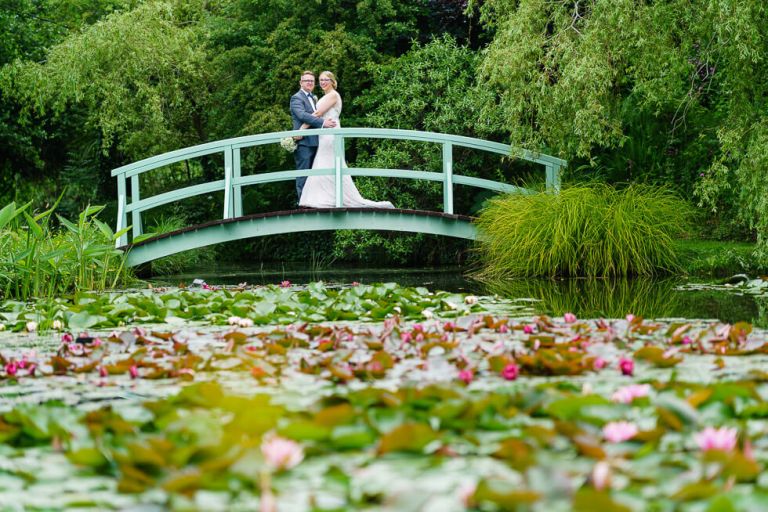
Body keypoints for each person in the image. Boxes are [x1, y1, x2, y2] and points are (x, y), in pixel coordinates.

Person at [298, 71, 394, 209]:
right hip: (325, 133)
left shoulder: (333, 95)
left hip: (331, 134)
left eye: (326, 79)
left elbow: (318, 114)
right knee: (325, 163)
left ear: (332, 81)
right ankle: (323, 198)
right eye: (321, 80)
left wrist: (301, 130)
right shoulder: (326, 96)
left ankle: (331, 198)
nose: (323, 82)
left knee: (329, 162)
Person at [290, 70, 336, 203]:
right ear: (301, 82)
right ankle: (302, 203)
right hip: (304, 142)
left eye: (312, 81)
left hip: (317, 141)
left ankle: (314, 201)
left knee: (315, 175)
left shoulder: (314, 97)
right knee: (303, 173)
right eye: (306, 80)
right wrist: (323, 123)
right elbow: (302, 115)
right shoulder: (296, 98)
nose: (309, 83)